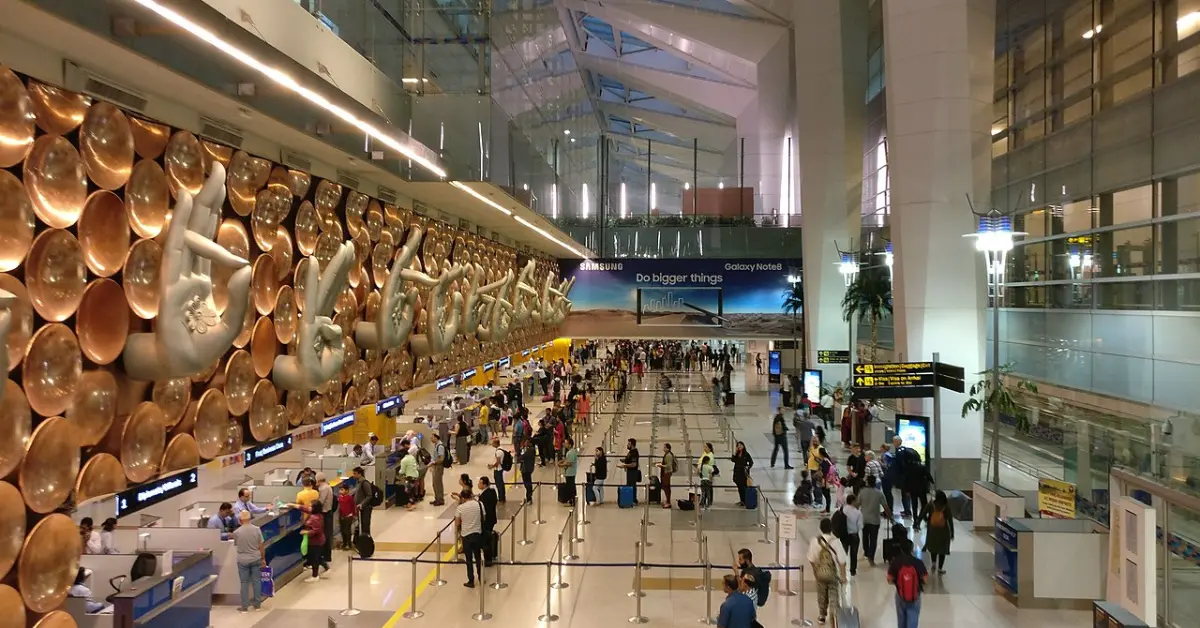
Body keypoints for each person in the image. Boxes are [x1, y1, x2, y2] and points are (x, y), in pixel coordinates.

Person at [807, 517, 849, 625]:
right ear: (831, 529)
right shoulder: (836, 542)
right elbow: (842, 561)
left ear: (820, 528)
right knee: (833, 592)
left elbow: (811, 559)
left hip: (820, 573)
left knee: (821, 594)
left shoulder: (815, 541)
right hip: (832, 573)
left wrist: (816, 571)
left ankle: (822, 616)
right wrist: (843, 576)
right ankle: (833, 613)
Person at [888, 538, 928, 628]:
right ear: (912, 549)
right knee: (912, 622)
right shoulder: (918, 562)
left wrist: (898, 582)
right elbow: (925, 579)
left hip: (900, 595)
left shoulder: (895, 562)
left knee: (901, 621)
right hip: (915, 595)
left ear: (901, 549)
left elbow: (889, 580)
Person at [232, 510, 266, 612]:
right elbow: (261, 545)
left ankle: (244, 607)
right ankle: (257, 606)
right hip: (256, 558)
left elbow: (236, 544)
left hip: (242, 560)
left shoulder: (236, 532)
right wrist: (263, 558)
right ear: (250, 518)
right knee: (257, 581)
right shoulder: (257, 530)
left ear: (240, 520)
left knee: (244, 583)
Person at [455, 487, 485, 588]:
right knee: (478, 557)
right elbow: (483, 517)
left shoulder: (460, 508)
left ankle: (471, 580)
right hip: (477, 533)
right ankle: (481, 577)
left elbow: (457, 523)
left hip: (466, 535)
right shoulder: (479, 504)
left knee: (468, 559)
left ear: (463, 498)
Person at [292, 500, 328, 582]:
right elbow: (304, 508)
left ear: (315, 508)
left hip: (316, 542)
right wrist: (292, 505)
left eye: (311, 506)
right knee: (317, 557)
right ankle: (326, 568)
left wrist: (306, 532)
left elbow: (316, 531)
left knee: (314, 558)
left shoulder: (315, 518)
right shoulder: (316, 514)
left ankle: (315, 576)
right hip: (317, 541)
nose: (309, 507)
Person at [919, 490, 955, 574]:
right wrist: (952, 532)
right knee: (942, 549)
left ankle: (934, 563)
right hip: (943, 530)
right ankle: (940, 568)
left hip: (932, 530)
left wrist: (920, 522)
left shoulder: (931, 504)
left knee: (933, 547)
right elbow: (950, 520)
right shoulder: (946, 506)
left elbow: (923, 513)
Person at [858, 475, 886, 565]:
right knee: (873, 539)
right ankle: (871, 556)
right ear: (875, 483)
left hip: (864, 519)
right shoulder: (879, 493)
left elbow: (857, 504)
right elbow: (886, 507)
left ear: (867, 482)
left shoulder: (862, 492)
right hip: (875, 520)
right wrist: (890, 516)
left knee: (865, 537)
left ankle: (866, 552)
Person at [837, 493, 863, 577]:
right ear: (852, 501)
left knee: (843, 553)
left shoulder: (843, 509)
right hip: (854, 535)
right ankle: (853, 571)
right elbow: (860, 526)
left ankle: (842, 569)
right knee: (854, 554)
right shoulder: (858, 512)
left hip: (844, 535)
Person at [477, 476, 499, 566]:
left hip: (487, 520)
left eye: (480, 483)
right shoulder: (492, 491)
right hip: (492, 518)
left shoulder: (484, 497)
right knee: (488, 537)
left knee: (486, 539)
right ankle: (491, 555)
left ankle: (488, 559)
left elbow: (484, 510)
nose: (478, 484)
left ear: (484, 484)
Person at [315, 473, 335, 562]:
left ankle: (326, 556)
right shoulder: (327, 486)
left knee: (326, 535)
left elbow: (320, 502)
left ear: (318, 480)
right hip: (328, 513)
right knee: (327, 534)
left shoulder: (324, 488)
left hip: (326, 514)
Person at [729, 441, 754, 507]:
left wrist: (747, 467)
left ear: (743, 446)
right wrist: (734, 453)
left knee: (744, 487)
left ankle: (746, 501)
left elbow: (751, 462)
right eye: (738, 446)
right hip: (737, 473)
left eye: (741, 445)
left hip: (743, 473)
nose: (739, 447)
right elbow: (733, 460)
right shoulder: (737, 454)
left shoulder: (746, 454)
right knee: (739, 488)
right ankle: (742, 500)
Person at [352, 467, 375, 536]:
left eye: (355, 474)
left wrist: (362, 504)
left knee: (365, 524)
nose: (353, 475)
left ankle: (366, 540)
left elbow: (369, 495)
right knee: (361, 524)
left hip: (366, 508)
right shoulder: (358, 482)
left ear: (360, 474)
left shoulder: (364, 483)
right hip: (360, 508)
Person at [398, 446, 420, 511]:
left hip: (410, 477)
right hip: (415, 475)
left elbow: (402, 471)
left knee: (408, 491)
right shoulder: (411, 457)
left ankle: (412, 504)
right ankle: (409, 503)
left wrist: (398, 473)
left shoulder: (403, 460)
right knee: (412, 490)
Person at [656, 443, 678, 508]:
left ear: (668, 448)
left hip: (667, 472)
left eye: (664, 447)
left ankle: (668, 502)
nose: (663, 449)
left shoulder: (668, 455)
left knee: (667, 487)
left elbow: (668, 465)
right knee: (666, 487)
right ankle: (667, 500)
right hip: (666, 472)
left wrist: (661, 465)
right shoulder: (667, 454)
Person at [430, 433, 449, 506]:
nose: (431, 439)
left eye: (432, 438)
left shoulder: (440, 446)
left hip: (438, 467)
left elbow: (441, 458)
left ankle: (440, 499)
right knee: (435, 483)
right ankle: (437, 498)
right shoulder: (436, 445)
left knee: (438, 483)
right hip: (435, 466)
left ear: (436, 437)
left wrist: (434, 462)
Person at [488, 436, 508, 502]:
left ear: (496, 444)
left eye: (493, 443)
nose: (492, 444)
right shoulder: (500, 449)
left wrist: (492, 466)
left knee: (499, 484)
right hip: (499, 469)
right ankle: (501, 497)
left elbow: (498, 462)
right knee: (500, 484)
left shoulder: (498, 452)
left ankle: (501, 498)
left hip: (498, 469)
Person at [336, 484, 356, 550]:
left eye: (342, 490)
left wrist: (354, 514)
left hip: (348, 516)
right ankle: (344, 543)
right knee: (342, 530)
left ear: (347, 490)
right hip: (341, 516)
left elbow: (353, 506)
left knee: (347, 530)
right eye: (340, 490)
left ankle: (349, 543)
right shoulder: (339, 498)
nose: (340, 491)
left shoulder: (349, 498)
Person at [698, 443, 715, 510]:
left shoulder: (710, 456)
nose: (704, 448)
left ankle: (707, 503)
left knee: (707, 491)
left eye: (706, 447)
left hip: (707, 477)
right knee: (705, 492)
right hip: (705, 477)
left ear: (709, 448)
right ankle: (704, 503)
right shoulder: (704, 454)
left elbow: (711, 471)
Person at [520, 439, 537, 503]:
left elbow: (522, 457)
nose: (525, 443)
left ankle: (529, 498)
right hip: (527, 468)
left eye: (526, 442)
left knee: (527, 484)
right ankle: (528, 497)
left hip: (526, 469)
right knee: (527, 483)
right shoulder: (529, 449)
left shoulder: (530, 450)